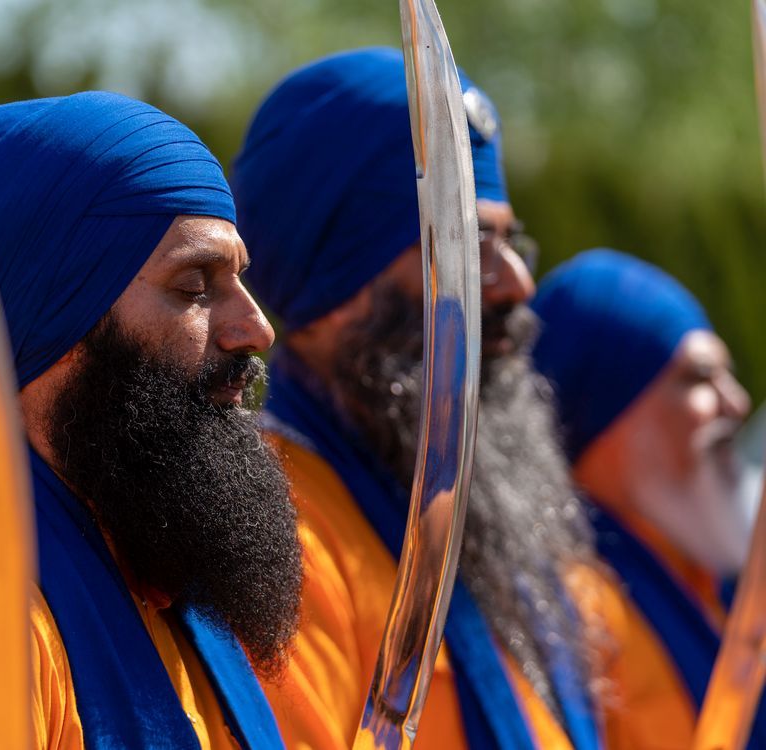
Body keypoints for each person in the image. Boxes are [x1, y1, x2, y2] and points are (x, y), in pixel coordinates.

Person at [0, 92, 303, 749]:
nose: (255, 328)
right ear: (62, 319)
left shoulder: (167, 593)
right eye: (195, 287)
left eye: (240, 280)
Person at [231, 47, 606, 749]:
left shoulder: (484, 528)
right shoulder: (283, 544)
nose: (518, 283)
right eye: (470, 244)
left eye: (508, 240)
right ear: (338, 287)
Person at [532, 247, 765, 746]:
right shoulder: (565, 610)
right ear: (603, 412)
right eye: (698, 378)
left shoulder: (706, 581)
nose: (737, 401)